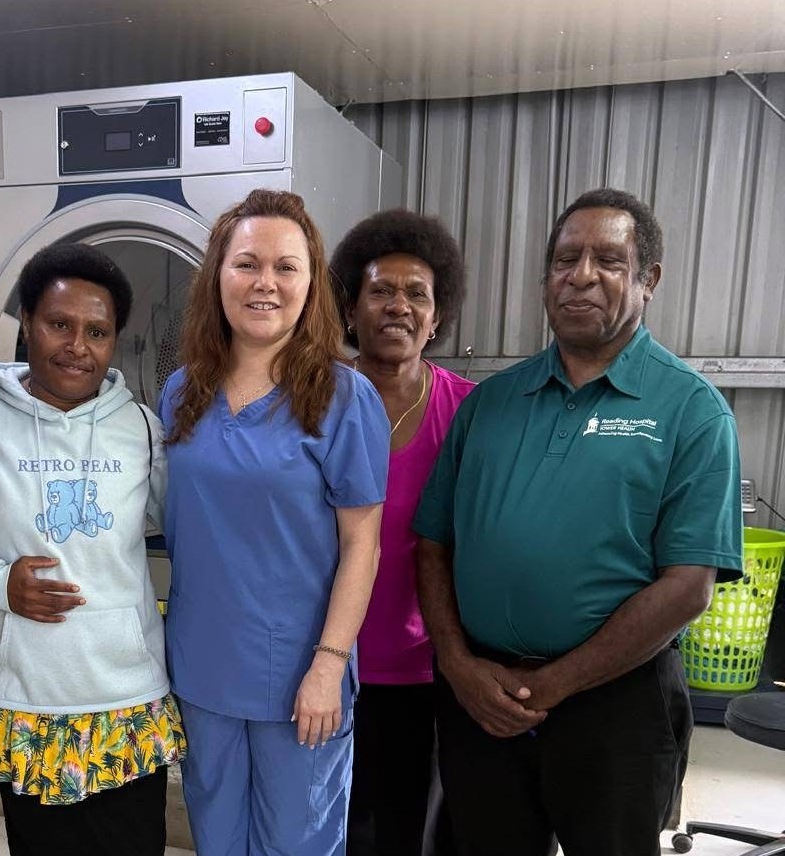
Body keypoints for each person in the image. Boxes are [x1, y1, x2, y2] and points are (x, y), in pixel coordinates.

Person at [413, 188, 743, 856]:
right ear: (545, 279)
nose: (582, 275)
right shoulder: (491, 405)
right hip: (481, 697)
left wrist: (552, 685)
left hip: (614, 706)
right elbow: (432, 543)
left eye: (608, 260)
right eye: (566, 258)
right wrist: (454, 660)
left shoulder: (691, 411)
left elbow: (688, 587)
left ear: (648, 279)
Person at [158, 189, 390, 856]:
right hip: (202, 669)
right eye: (247, 264)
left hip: (300, 676)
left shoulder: (345, 398)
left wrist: (329, 663)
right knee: (217, 838)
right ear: (218, 276)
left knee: (298, 844)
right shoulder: (183, 392)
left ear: (311, 283)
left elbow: (362, 544)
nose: (265, 283)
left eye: (286, 267)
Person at [0, 242, 186, 856]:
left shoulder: (140, 426)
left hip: (124, 693)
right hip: (21, 692)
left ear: (115, 340)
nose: (78, 345)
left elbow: (177, 524)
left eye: (97, 331)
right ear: (27, 324)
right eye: (59, 324)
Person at [330, 209, 470, 856]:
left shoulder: (468, 412)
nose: (399, 306)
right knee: (335, 831)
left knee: (407, 834)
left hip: (423, 674)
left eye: (418, 294)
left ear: (438, 317)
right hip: (326, 665)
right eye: (380, 290)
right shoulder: (312, 400)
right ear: (350, 310)